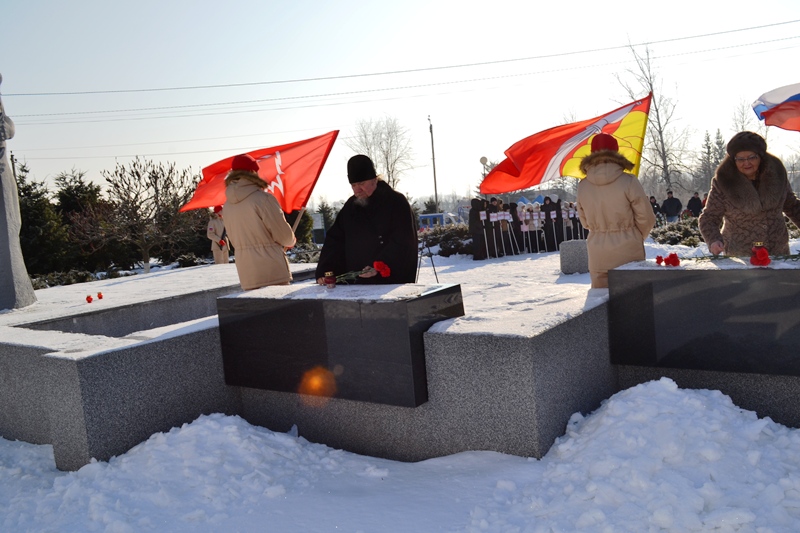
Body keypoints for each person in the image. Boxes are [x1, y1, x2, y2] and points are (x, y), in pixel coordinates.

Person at [315, 154, 418, 284]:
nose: (357, 190)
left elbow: (403, 242)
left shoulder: (396, 202)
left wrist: (379, 265)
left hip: (388, 283)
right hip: (356, 284)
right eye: (353, 185)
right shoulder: (350, 206)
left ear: (374, 180)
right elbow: (335, 240)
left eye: (361, 184)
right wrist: (326, 270)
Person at [699, 131, 800, 257]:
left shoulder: (777, 175)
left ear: (761, 157)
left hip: (778, 252)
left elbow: (793, 206)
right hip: (741, 255)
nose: (746, 163)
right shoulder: (723, 183)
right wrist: (714, 240)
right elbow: (709, 217)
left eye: (752, 157)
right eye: (740, 159)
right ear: (733, 160)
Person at [577, 133, 656, 289]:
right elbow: (647, 217)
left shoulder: (583, 186)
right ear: (616, 152)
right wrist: (635, 235)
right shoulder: (629, 181)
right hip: (629, 250)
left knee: (600, 301)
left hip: (598, 252)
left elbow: (584, 222)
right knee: (633, 298)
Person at [223, 154, 296, 290]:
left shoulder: (227, 206)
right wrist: (291, 240)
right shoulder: (263, 199)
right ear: (253, 172)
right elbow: (284, 236)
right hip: (272, 270)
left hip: (246, 273)